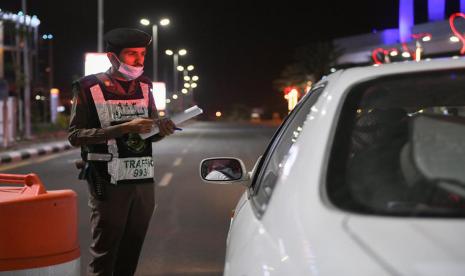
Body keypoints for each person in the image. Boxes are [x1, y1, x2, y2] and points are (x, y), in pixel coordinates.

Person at [68, 28, 176, 276]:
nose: (139, 60)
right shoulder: (88, 87)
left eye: (142, 54)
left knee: (132, 249)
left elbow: (148, 133)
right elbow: (75, 136)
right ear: (112, 57)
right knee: (105, 252)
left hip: (142, 180)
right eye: (131, 54)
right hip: (107, 182)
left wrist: (162, 130)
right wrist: (124, 127)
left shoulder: (145, 86)